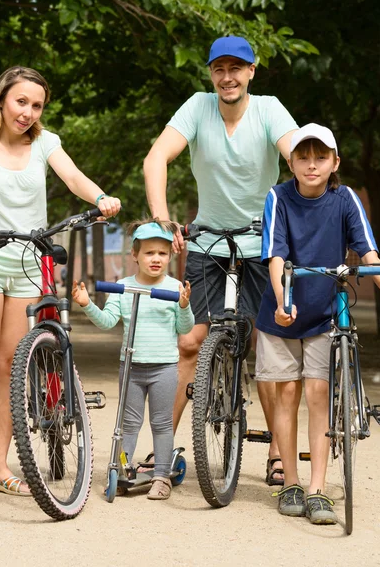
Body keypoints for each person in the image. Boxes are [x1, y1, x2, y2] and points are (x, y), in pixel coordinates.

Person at [0, 66, 121, 504]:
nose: (28, 112)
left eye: (36, 106)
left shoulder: (45, 144)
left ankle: (0, 465)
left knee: (15, 367)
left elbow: (72, 178)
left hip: (29, 263)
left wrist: (100, 197)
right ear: (1, 100)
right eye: (21, 102)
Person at [143, 35, 298, 485]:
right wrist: (161, 218)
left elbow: (294, 154)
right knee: (190, 342)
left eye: (237, 68)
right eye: (219, 69)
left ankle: (277, 452)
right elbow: (157, 159)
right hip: (208, 242)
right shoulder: (197, 106)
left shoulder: (269, 109)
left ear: (252, 72)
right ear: (211, 74)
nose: (227, 77)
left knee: (269, 348)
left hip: (261, 245)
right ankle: (162, 452)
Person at [255, 123, 380, 524]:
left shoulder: (345, 199)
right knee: (286, 394)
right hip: (282, 310)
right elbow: (276, 257)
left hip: (325, 309)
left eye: (321, 157)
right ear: (290, 162)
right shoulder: (278, 197)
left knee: (317, 393)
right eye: (303, 157)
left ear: (335, 162)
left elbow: (369, 255)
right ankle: (291, 483)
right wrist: (282, 301)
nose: (312, 165)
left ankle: (317, 489)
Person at [72, 219, 194, 500]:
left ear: (170, 256)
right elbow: (107, 321)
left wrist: (184, 305)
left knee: (161, 423)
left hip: (164, 367)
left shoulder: (174, 288)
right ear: (135, 255)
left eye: (162, 254)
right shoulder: (122, 287)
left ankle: (161, 475)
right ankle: (122, 469)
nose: (156, 259)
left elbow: (185, 329)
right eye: (149, 253)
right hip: (131, 367)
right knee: (128, 423)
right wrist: (87, 304)